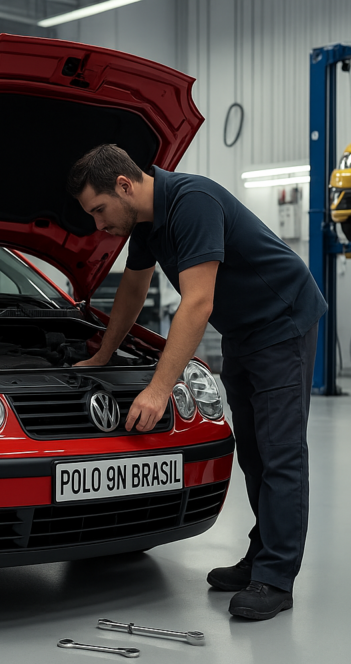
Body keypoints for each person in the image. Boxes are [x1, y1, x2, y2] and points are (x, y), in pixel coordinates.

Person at [68, 144, 327, 620]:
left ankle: (276, 577)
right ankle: (261, 554)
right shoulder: (145, 221)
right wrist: (104, 353)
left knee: (281, 451)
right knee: (252, 451)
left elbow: (197, 303)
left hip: (282, 322)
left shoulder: (192, 202)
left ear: (124, 186)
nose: (98, 226)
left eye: (100, 211)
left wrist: (159, 387)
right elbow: (134, 285)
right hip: (244, 330)